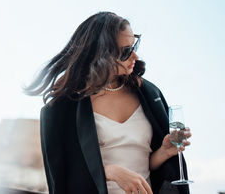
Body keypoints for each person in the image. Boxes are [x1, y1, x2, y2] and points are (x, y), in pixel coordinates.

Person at [24, 12, 192, 194]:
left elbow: (145, 165)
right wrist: (110, 172)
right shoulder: (62, 109)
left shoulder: (150, 94)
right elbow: (61, 180)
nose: (135, 56)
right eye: (125, 51)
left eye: (134, 45)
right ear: (100, 54)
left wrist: (164, 152)